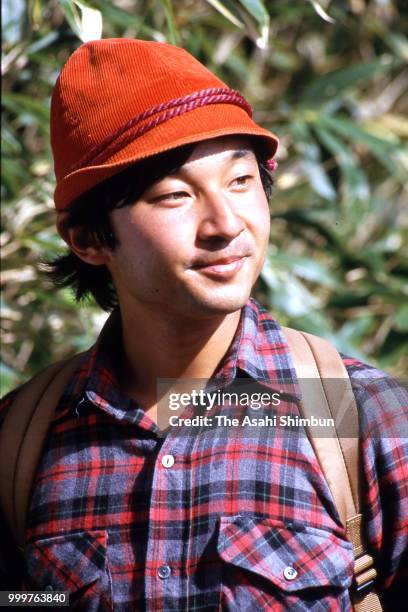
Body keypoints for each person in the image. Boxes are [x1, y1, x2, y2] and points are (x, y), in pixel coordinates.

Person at [0, 38, 406, 611]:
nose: (225, 224)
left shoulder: (356, 415)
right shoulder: (22, 442)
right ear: (89, 239)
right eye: (174, 195)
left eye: (240, 182)